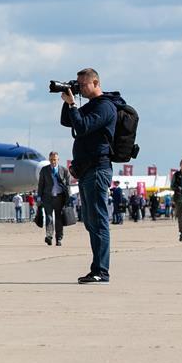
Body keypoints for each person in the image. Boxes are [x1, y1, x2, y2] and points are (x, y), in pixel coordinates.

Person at [60, 67, 120, 284]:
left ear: (96, 83)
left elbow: (83, 126)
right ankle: (97, 269)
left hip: (98, 169)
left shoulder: (105, 107)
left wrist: (73, 105)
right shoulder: (90, 105)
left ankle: (101, 271)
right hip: (87, 171)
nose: (81, 88)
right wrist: (68, 101)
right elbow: (68, 122)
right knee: (91, 222)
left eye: (84, 85)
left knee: (99, 221)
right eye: (79, 85)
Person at [37, 151, 69, 246]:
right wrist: (39, 197)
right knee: (49, 218)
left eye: (54, 159)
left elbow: (68, 186)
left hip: (59, 198)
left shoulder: (64, 170)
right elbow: (41, 185)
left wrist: (68, 198)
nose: (53, 161)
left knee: (59, 219)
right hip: (47, 197)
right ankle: (49, 236)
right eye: (51, 159)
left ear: (58, 160)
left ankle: (59, 238)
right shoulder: (44, 170)